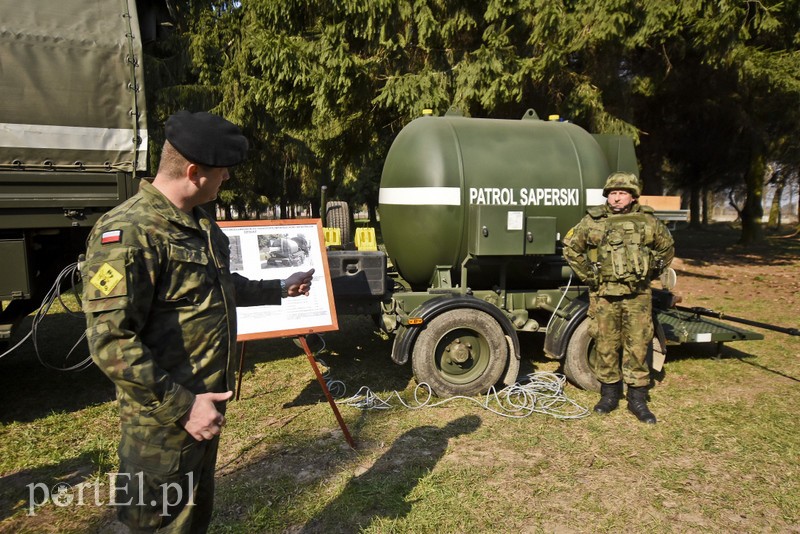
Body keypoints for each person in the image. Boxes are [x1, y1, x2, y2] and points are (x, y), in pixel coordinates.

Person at [81, 110, 315, 532]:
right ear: (193, 171)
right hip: (163, 424)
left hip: (204, 412)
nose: (226, 179)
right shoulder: (129, 233)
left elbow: (217, 285)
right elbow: (111, 342)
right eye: (222, 172)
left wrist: (280, 287)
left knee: (192, 521)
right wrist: (185, 407)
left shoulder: (198, 221)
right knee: (157, 525)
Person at [562, 172, 674, 424]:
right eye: (612, 193)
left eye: (622, 193)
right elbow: (571, 247)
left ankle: (637, 399)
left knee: (637, 344)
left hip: (638, 295)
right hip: (604, 295)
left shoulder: (648, 221)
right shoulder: (593, 221)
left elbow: (666, 248)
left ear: (633, 195)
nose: (616, 198)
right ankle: (609, 395)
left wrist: (651, 271)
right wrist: (589, 276)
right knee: (605, 343)